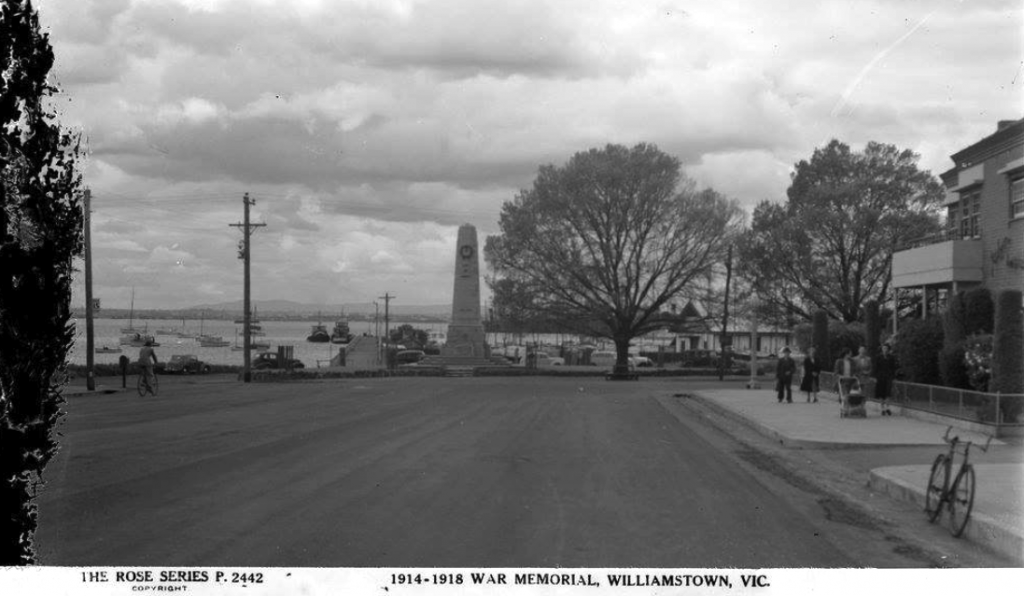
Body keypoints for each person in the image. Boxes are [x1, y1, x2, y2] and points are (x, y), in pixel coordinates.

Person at [874, 343, 897, 416]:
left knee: (888, 392)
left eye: (886, 348)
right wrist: (875, 377)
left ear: (888, 349)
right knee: (881, 393)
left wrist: (893, 377)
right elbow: (876, 368)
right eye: (883, 348)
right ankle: (882, 408)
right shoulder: (878, 357)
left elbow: (893, 368)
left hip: (888, 376)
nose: (884, 350)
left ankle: (887, 407)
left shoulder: (891, 357)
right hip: (880, 377)